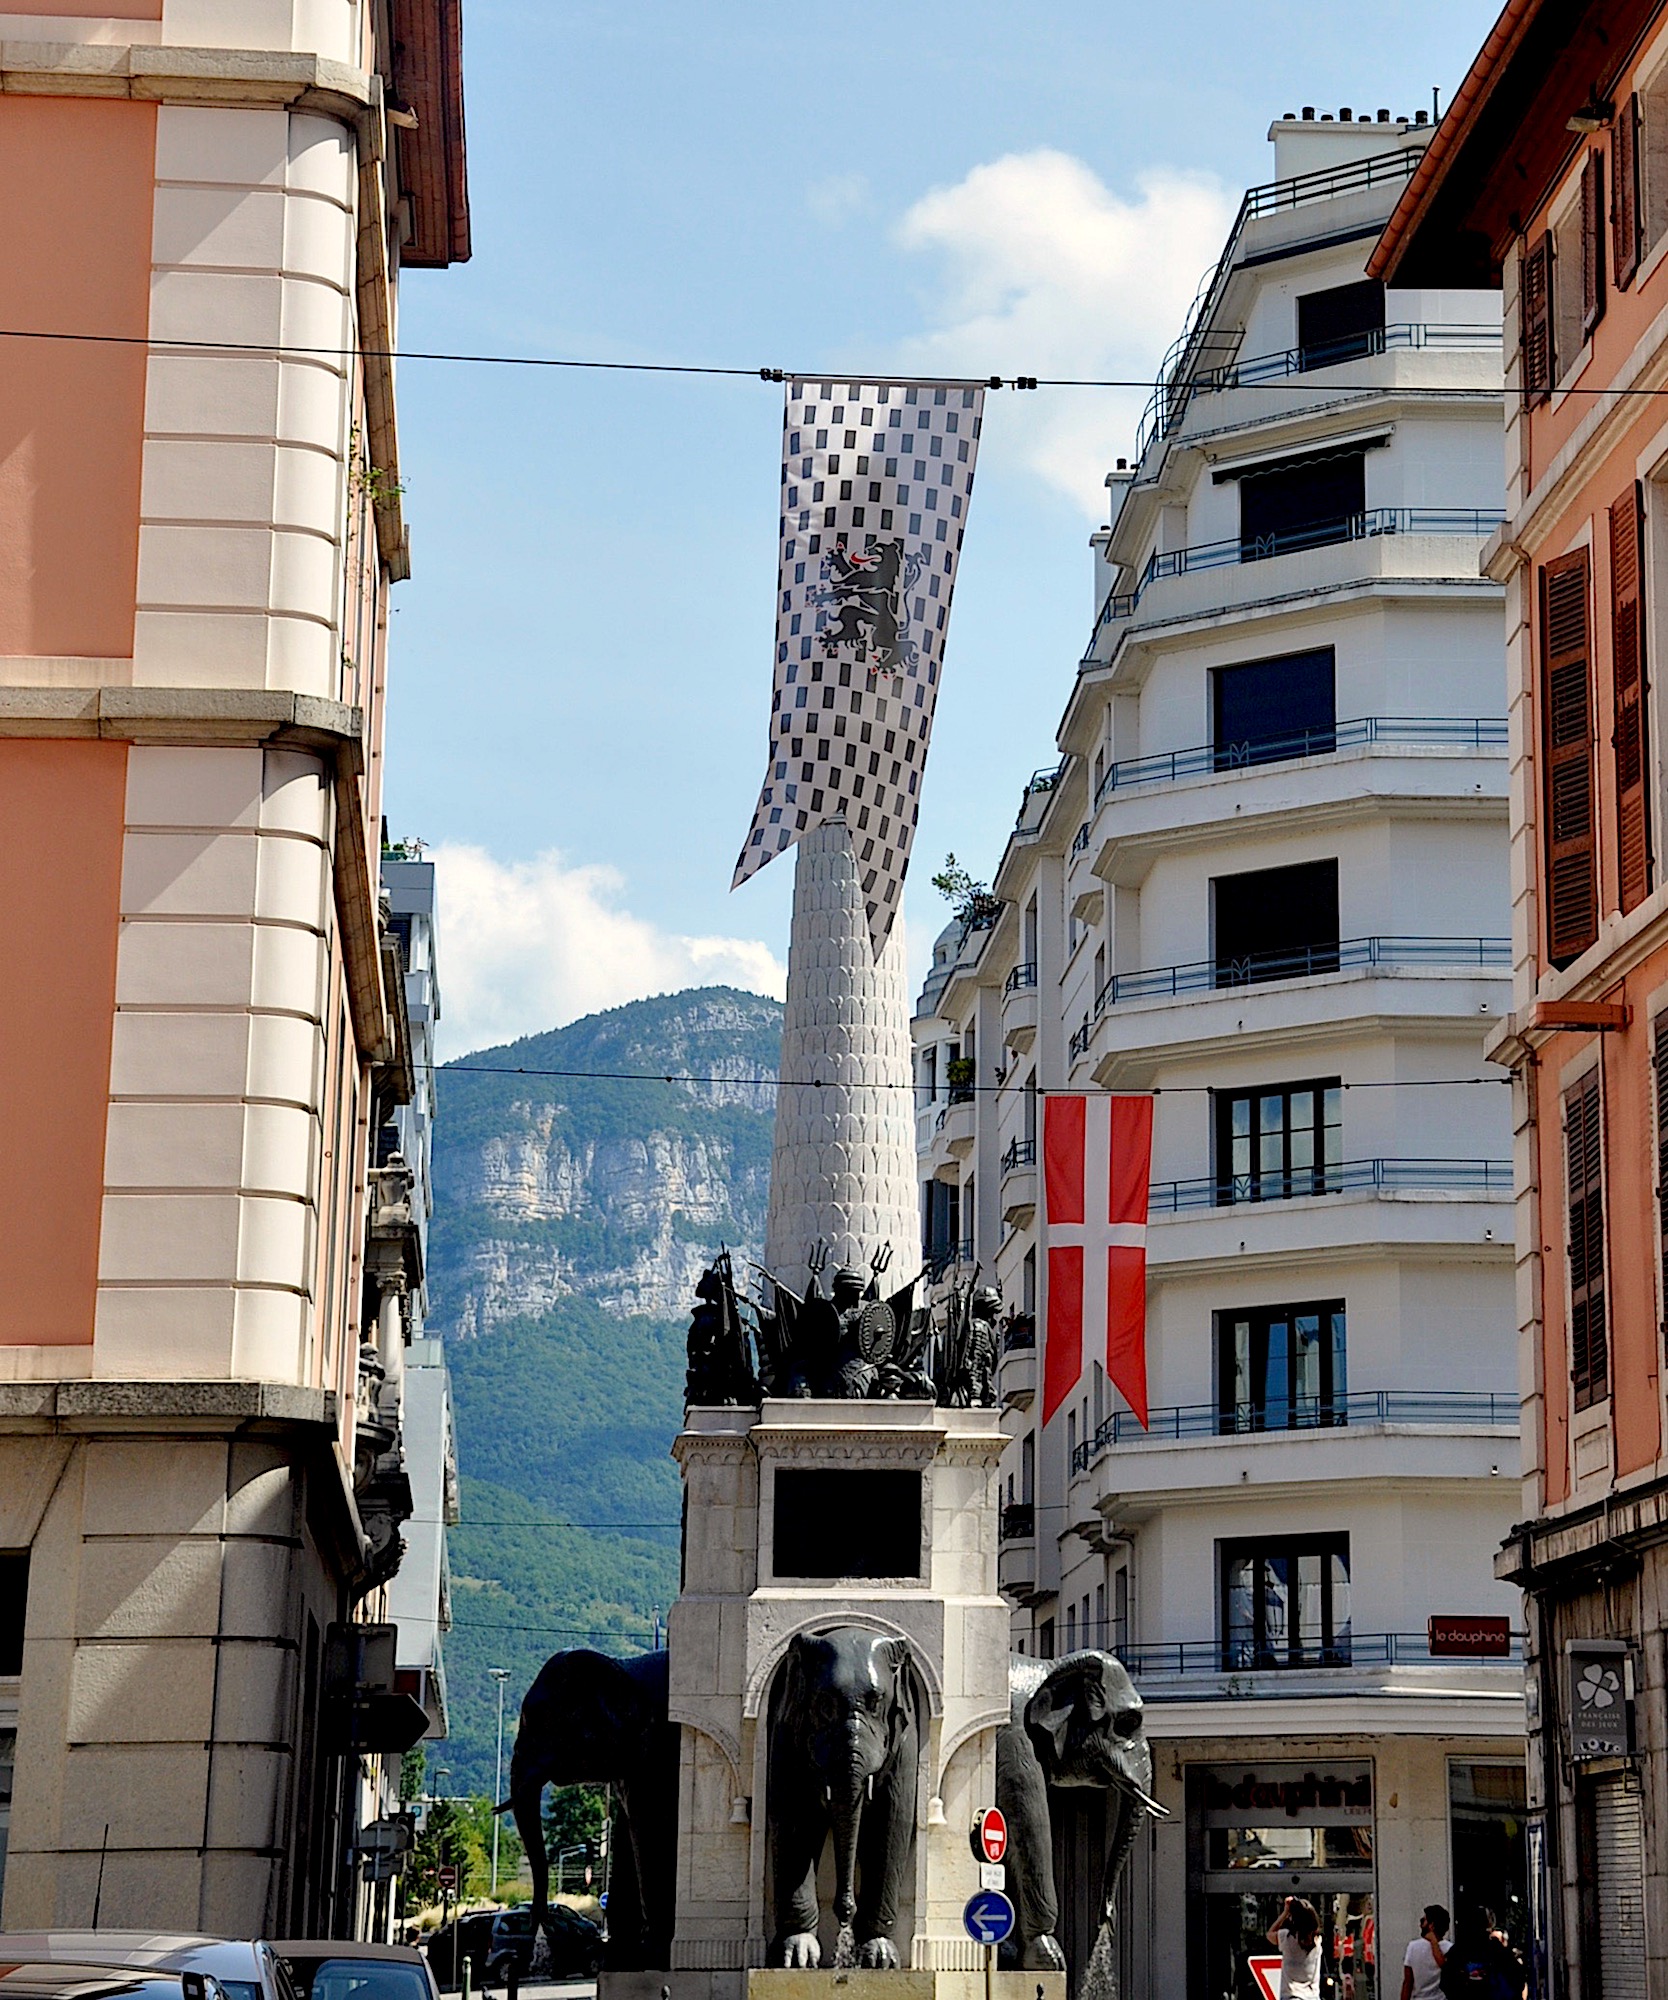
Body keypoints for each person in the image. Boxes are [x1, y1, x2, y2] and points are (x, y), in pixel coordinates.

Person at [1438, 1904, 1525, 2000]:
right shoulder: (1497, 1950)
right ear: (1488, 1925)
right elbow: (1518, 1979)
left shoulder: (1458, 1951)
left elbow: (1446, 1983)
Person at [1267, 1896, 1323, 2000]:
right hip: (1312, 1996)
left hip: (1291, 1996)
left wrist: (1285, 1912)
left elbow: (1269, 1934)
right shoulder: (1317, 1941)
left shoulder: (1286, 1938)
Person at [1401, 1904, 1451, 2000]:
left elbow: (1408, 1982)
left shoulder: (1413, 1947)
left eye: (1423, 1921)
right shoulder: (1449, 1948)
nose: (1420, 1925)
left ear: (1431, 1925)